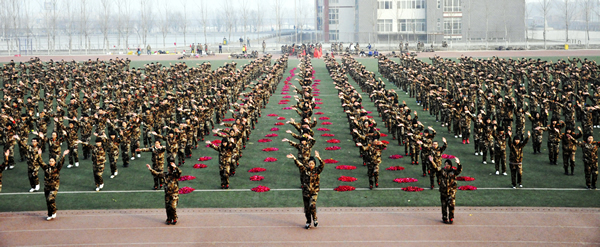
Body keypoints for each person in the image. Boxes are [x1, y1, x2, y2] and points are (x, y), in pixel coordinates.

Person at [287, 151, 325, 229]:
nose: (311, 165)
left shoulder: (317, 170)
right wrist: (294, 158)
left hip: (314, 191)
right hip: (306, 192)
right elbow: (299, 165)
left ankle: (315, 219)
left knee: (312, 205)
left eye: (312, 164)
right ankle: (308, 221)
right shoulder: (305, 170)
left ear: (314, 164)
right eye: (310, 164)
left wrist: (318, 158)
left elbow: (323, 164)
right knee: (307, 208)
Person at [40, 149, 70, 221]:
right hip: (47, 186)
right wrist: (39, 155)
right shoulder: (46, 168)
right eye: (50, 161)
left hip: (54, 187)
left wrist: (63, 155)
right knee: (48, 201)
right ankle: (50, 214)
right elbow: (40, 162)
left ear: (55, 162)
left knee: (51, 198)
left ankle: (54, 211)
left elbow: (61, 163)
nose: (51, 162)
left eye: (52, 161)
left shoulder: (57, 168)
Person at [434, 156, 461, 224]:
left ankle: (451, 217)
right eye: (445, 164)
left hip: (451, 191)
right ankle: (445, 218)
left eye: (447, 164)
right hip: (443, 191)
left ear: (450, 165)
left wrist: (458, 164)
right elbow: (436, 168)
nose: (446, 165)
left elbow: (459, 170)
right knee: (444, 205)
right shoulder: (443, 170)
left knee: (451, 205)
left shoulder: (453, 172)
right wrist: (432, 161)